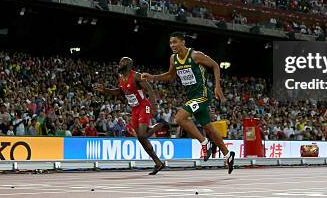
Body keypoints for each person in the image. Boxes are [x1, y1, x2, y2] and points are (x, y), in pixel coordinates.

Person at [142, 32, 236, 174]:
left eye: (175, 42)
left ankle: (204, 142)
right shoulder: (173, 59)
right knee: (209, 128)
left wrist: (217, 86)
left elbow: (215, 65)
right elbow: (170, 75)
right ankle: (228, 155)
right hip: (191, 97)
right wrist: (152, 77)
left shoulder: (195, 55)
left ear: (183, 42)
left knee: (179, 118)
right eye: (170, 43)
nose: (172, 45)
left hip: (203, 95)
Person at [95, 57, 166, 175]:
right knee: (140, 138)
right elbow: (120, 91)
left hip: (144, 106)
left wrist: (154, 107)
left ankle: (160, 125)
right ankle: (158, 163)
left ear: (128, 65)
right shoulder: (121, 77)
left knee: (142, 135)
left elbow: (149, 89)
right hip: (134, 109)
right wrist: (105, 90)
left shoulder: (136, 76)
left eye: (122, 62)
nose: (119, 64)